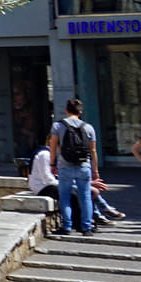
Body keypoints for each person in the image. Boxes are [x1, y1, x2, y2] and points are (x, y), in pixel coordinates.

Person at [49, 98, 99, 235]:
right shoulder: (89, 127)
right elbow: (93, 151)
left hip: (64, 166)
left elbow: (52, 147)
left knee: (64, 197)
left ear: (66, 110)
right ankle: (86, 227)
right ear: (80, 112)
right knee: (85, 197)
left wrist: (52, 164)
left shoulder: (58, 126)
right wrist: (95, 170)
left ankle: (67, 227)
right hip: (84, 166)